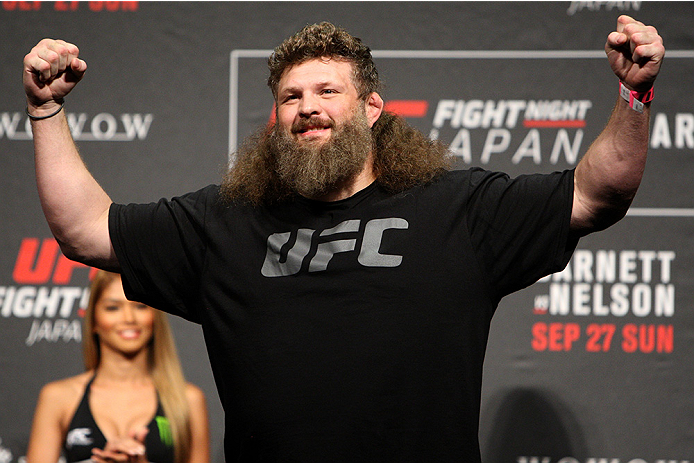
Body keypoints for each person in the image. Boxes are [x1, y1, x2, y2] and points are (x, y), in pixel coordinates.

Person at [23, 16, 664, 461]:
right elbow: (85, 230)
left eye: (329, 90)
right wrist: (46, 112)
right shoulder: (226, 222)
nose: (308, 107)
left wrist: (634, 95)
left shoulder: (458, 209)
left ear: (371, 109)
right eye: (291, 96)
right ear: (276, 119)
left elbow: (594, 194)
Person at [26, 271, 210, 463]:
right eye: (113, 308)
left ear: (155, 318)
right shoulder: (58, 398)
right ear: (94, 320)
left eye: (140, 306)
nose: (129, 318)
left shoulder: (188, 400)